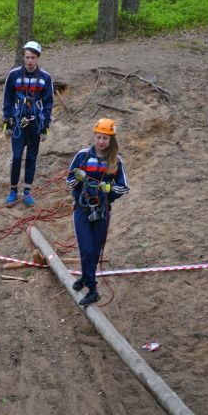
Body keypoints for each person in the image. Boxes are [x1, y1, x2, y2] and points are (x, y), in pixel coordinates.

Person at [66, 118, 129, 305]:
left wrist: (109, 189)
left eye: (105, 138)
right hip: (82, 209)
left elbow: (124, 187)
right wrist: (79, 178)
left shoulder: (115, 161)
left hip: (102, 211)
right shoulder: (82, 156)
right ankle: (93, 290)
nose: (101, 141)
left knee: (94, 251)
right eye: (99, 137)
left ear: (111, 140)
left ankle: (85, 277)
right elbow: (69, 181)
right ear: (94, 136)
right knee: (86, 249)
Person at [2, 41, 54, 207]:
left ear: (38, 58)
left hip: (36, 124)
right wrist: (6, 121)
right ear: (23, 57)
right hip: (18, 123)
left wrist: (45, 125)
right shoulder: (14, 75)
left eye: (33, 57)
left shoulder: (45, 77)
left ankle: (27, 192)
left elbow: (48, 103)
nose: (30, 61)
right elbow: (7, 99)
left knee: (31, 158)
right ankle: (13, 191)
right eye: (27, 57)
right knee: (17, 157)